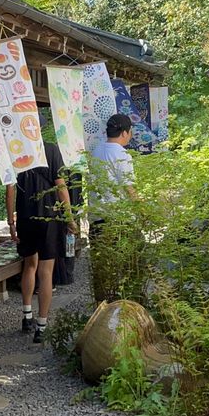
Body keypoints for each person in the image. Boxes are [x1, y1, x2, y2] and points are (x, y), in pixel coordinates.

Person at [6, 141, 76, 342]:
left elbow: (9, 189)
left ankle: (26, 316)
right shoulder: (51, 149)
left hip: (26, 217)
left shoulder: (15, 148)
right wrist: (69, 218)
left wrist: (11, 222)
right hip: (49, 217)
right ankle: (41, 327)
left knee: (29, 265)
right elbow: (61, 186)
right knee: (46, 271)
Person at [88, 113, 137, 301]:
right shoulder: (121, 154)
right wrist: (142, 210)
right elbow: (129, 187)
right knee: (123, 267)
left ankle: (101, 308)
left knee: (101, 269)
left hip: (96, 217)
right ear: (125, 132)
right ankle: (120, 308)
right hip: (117, 220)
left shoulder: (95, 151)